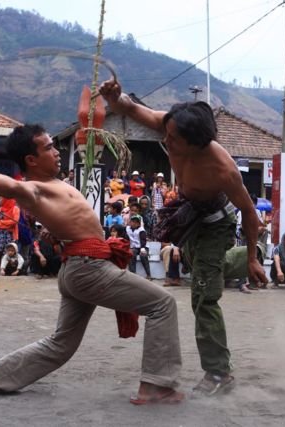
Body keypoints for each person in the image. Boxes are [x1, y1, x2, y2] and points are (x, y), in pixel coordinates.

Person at [0, 124, 182, 404]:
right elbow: (8, 184)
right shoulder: (32, 188)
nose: (57, 153)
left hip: (79, 267)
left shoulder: (53, 186)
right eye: (48, 148)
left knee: (62, 344)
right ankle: (156, 386)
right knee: (162, 304)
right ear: (31, 160)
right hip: (88, 269)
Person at [100, 79, 267, 396]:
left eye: (174, 139)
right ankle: (230, 263)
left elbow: (249, 211)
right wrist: (114, 96)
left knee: (203, 297)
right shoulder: (171, 124)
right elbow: (131, 108)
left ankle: (219, 373)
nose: (166, 139)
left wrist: (253, 258)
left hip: (216, 225)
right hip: (187, 214)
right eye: (167, 132)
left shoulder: (224, 170)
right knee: (198, 268)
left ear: (196, 143)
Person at [0, 196, 20, 275]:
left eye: (1, 198)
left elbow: (15, 221)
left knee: (10, 255)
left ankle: (8, 273)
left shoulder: (15, 209)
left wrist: (2, 222)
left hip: (10, 234)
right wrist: (8, 223)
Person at [126, 214, 152, 280]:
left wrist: (142, 248)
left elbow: (143, 240)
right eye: (133, 221)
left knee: (143, 255)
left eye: (136, 222)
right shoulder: (127, 229)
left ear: (139, 223)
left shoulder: (141, 230)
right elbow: (126, 238)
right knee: (131, 254)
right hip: (133, 247)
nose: (134, 223)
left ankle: (148, 274)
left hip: (143, 246)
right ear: (130, 222)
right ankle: (133, 274)